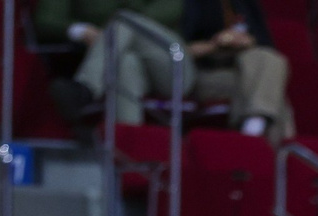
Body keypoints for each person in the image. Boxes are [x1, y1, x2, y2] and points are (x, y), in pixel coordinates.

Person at [71, 0, 291, 140]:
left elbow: (266, 46)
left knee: (269, 63)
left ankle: (255, 133)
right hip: (192, 69)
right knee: (273, 97)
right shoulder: (189, 5)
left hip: (235, 74)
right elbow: (176, 48)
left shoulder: (247, 5)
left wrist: (245, 42)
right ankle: (259, 151)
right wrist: (215, 45)